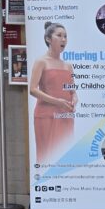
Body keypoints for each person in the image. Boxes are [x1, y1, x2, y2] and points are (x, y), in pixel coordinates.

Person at [29, 22, 76, 161]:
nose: (63, 39)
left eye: (65, 36)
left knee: (65, 158)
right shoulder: (41, 62)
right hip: (46, 115)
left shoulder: (68, 66)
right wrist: (57, 102)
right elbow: (32, 89)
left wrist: (74, 98)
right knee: (47, 157)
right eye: (59, 35)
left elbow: (72, 90)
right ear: (48, 39)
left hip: (65, 115)